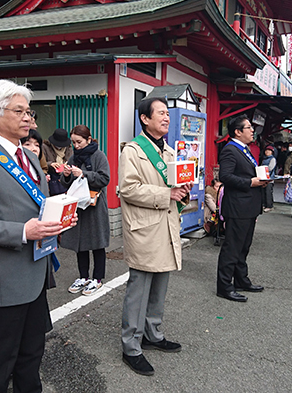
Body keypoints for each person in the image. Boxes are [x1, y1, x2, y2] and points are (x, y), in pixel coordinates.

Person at [0, 79, 73, 392]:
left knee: (31, 356)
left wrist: (59, 219)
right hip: (3, 279)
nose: (27, 118)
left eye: (28, 111)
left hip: (36, 273)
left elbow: (38, 207)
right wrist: (23, 231)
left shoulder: (32, 158)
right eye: (18, 111)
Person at [118, 97, 192, 376]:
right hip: (145, 229)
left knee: (160, 284)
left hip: (166, 226)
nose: (166, 117)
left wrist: (181, 189)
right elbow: (128, 189)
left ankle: (152, 334)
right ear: (144, 119)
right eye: (160, 113)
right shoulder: (133, 151)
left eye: (167, 113)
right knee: (139, 289)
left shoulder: (169, 152)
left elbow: (171, 186)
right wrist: (166, 194)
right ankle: (131, 347)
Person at [216, 116, 269, 302]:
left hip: (248, 206)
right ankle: (224, 286)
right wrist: (250, 182)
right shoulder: (231, 150)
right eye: (248, 127)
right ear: (237, 131)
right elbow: (226, 176)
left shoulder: (244, 150)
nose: (252, 130)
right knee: (232, 247)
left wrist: (259, 181)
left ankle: (241, 280)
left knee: (244, 246)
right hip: (238, 206)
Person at [61, 125, 111, 296]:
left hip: (94, 205)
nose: (76, 146)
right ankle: (83, 277)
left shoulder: (99, 155)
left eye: (79, 142)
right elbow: (64, 183)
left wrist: (83, 174)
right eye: (74, 142)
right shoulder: (73, 157)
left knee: (97, 243)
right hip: (79, 206)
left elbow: (105, 178)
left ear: (89, 139)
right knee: (80, 243)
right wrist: (67, 174)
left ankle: (97, 279)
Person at [43, 128, 73, 195]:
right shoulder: (45, 147)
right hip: (51, 179)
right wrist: (50, 164)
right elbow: (41, 163)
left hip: (64, 178)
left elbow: (72, 161)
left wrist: (67, 164)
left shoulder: (68, 148)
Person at [261, 146, 277, 212]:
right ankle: (264, 204)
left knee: (268, 192)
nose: (267, 152)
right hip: (263, 178)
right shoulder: (264, 159)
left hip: (269, 179)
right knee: (263, 192)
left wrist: (262, 168)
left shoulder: (273, 159)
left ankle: (269, 206)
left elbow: (270, 168)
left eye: (269, 151)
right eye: (266, 150)